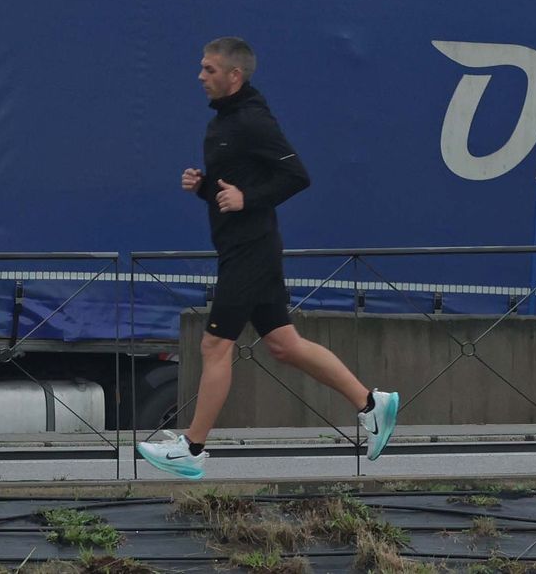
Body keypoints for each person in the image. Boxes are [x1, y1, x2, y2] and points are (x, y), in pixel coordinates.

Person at [136, 37, 400, 479]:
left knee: (215, 345)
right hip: (243, 247)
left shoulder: (253, 120)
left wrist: (247, 197)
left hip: (250, 251)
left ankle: (193, 449)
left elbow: (296, 176)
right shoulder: (225, 121)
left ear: (234, 75)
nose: (200, 76)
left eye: (209, 69)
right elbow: (234, 189)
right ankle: (372, 404)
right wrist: (204, 187)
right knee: (283, 344)